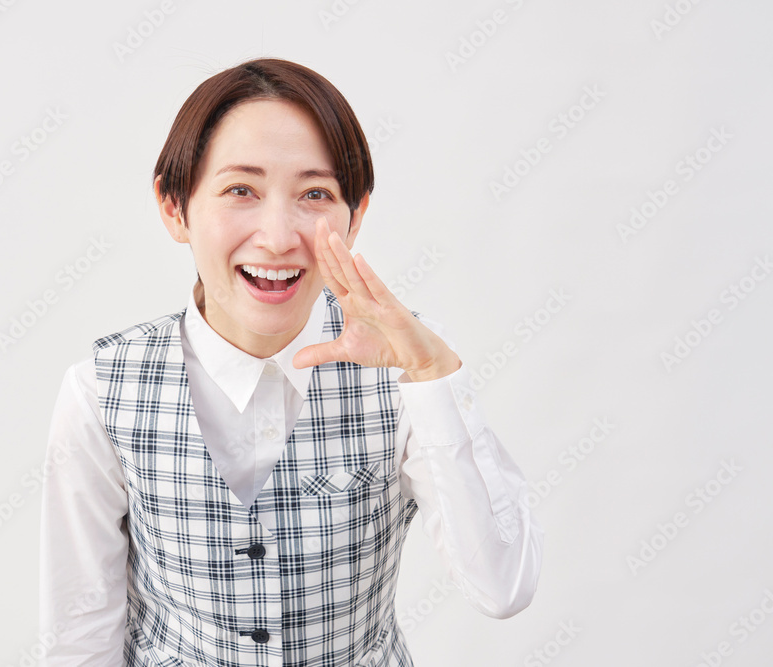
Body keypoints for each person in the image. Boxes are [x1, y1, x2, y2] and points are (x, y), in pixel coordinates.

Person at [39, 57, 543, 666]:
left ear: (355, 217)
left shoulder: (405, 371)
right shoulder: (101, 391)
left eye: (315, 194)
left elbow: (502, 587)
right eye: (240, 190)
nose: (278, 238)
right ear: (175, 207)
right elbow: (80, 632)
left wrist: (432, 377)